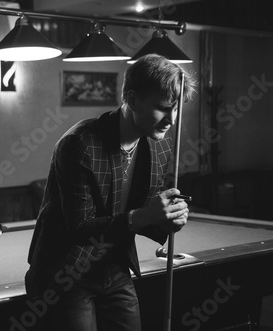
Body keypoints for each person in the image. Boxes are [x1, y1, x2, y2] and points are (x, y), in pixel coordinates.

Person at [25, 54, 197, 330]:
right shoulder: (80, 144)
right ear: (131, 98)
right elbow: (79, 228)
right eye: (163, 108)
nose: (171, 120)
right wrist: (145, 215)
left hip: (115, 269)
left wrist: (168, 219)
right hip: (65, 274)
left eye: (176, 109)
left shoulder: (160, 146)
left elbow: (144, 218)